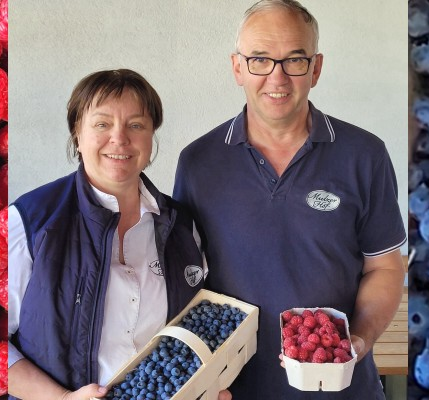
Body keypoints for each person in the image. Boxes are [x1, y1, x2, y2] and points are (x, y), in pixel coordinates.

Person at [173, 1, 407, 399]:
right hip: (232, 391)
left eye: (295, 60)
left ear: (316, 68)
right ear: (237, 68)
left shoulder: (365, 155)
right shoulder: (198, 163)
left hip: (342, 389)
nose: (277, 77)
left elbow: (385, 267)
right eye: (260, 59)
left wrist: (357, 341)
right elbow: (186, 280)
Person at [7, 69, 228, 400]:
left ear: (151, 136)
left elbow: (196, 331)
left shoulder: (182, 226)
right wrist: (61, 398)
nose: (120, 138)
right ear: (77, 133)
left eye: (136, 125)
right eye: (102, 124)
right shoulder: (31, 222)